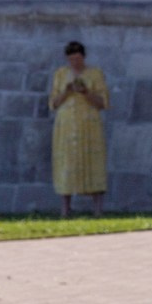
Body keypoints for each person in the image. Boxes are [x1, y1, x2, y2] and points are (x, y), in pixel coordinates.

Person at [48, 40, 109, 214]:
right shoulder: (60, 74)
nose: (75, 62)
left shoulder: (95, 74)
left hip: (89, 123)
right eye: (71, 59)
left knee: (93, 160)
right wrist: (66, 92)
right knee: (66, 162)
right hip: (66, 124)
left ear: (83, 57)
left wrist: (86, 92)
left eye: (77, 58)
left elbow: (102, 102)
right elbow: (53, 103)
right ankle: (65, 208)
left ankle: (97, 209)